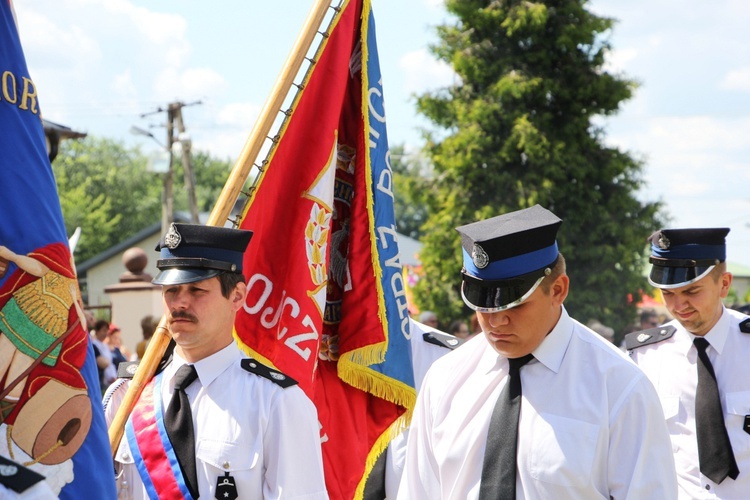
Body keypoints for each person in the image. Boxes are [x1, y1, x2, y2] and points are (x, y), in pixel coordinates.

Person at [398, 204, 676, 499]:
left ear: (558, 290)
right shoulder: (445, 378)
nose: (495, 320)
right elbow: (420, 490)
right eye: (483, 303)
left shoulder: (618, 386)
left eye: (514, 304)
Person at [104, 223, 327, 499]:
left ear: (237, 296)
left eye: (196, 290)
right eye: (171, 290)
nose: (179, 303)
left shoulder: (276, 402)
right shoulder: (128, 393)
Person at [626, 228, 750, 497]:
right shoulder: (643, 357)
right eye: (668, 293)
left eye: (692, 291)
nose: (679, 304)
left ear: (724, 284)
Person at [90, 319, 115, 392]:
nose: (106, 333)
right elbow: (104, 363)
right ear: (97, 331)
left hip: (110, 379)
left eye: (107, 331)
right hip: (101, 380)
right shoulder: (94, 345)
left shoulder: (105, 345)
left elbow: (110, 363)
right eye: (103, 330)